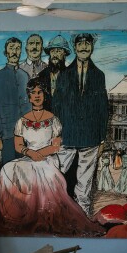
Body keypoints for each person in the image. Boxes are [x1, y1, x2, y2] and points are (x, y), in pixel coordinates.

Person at [0, 78, 105, 236]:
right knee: (8, 169)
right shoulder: (22, 121)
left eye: (40, 92)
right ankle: (22, 216)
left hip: (48, 158)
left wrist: (41, 154)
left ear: (45, 96)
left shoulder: (54, 120)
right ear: (29, 97)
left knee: (45, 172)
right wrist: (30, 153)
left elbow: (56, 145)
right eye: (33, 93)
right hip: (29, 157)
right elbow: (18, 145)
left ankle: (44, 216)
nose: (37, 96)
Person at [52, 33, 109, 217]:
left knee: (84, 183)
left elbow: (103, 108)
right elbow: (57, 106)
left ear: (92, 47)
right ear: (74, 47)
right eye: (80, 44)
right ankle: (55, 211)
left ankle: (82, 217)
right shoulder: (64, 75)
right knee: (56, 174)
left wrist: (101, 139)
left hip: (91, 137)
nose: (84, 47)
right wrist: (57, 134)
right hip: (67, 135)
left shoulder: (99, 75)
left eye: (87, 44)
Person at [0, 37, 31, 164]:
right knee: (8, 170)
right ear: (5, 52)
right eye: (11, 48)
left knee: (24, 170)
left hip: (24, 135)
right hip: (7, 136)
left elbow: (28, 105)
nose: (14, 52)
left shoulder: (25, 76)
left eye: (17, 49)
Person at [37, 34, 70, 107]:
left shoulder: (71, 75)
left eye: (58, 51)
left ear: (65, 53)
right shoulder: (41, 75)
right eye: (52, 51)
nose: (54, 54)